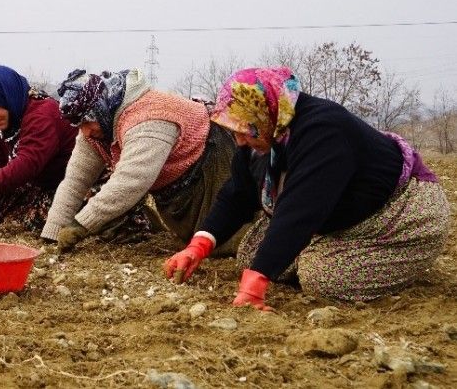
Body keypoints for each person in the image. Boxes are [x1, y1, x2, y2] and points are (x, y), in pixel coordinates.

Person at [164, 67, 450, 309]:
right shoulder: (266, 133)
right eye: (235, 131)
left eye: (245, 130)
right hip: (337, 216)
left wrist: (255, 286)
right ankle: (322, 249)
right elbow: (237, 194)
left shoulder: (323, 130)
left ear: (266, 113)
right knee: (251, 255)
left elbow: (302, 207)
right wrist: (198, 246)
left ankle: (398, 260)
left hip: (395, 215)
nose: (239, 141)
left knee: (322, 277)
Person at [45, 68, 237, 252]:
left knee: (224, 237)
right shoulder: (97, 128)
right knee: (195, 239)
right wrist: (52, 231)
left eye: (87, 122)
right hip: (176, 186)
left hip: (210, 161)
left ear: (102, 108)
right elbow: (75, 181)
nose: (85, 131)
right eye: (79, 125)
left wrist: (80, 225)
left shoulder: (149, 118)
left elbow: (130, 182)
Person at [0, 65, 77, 229]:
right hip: (39, 185)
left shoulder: (42, 114)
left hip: (67, 184)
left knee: (29, 219)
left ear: (8, 95)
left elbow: (27, 164)